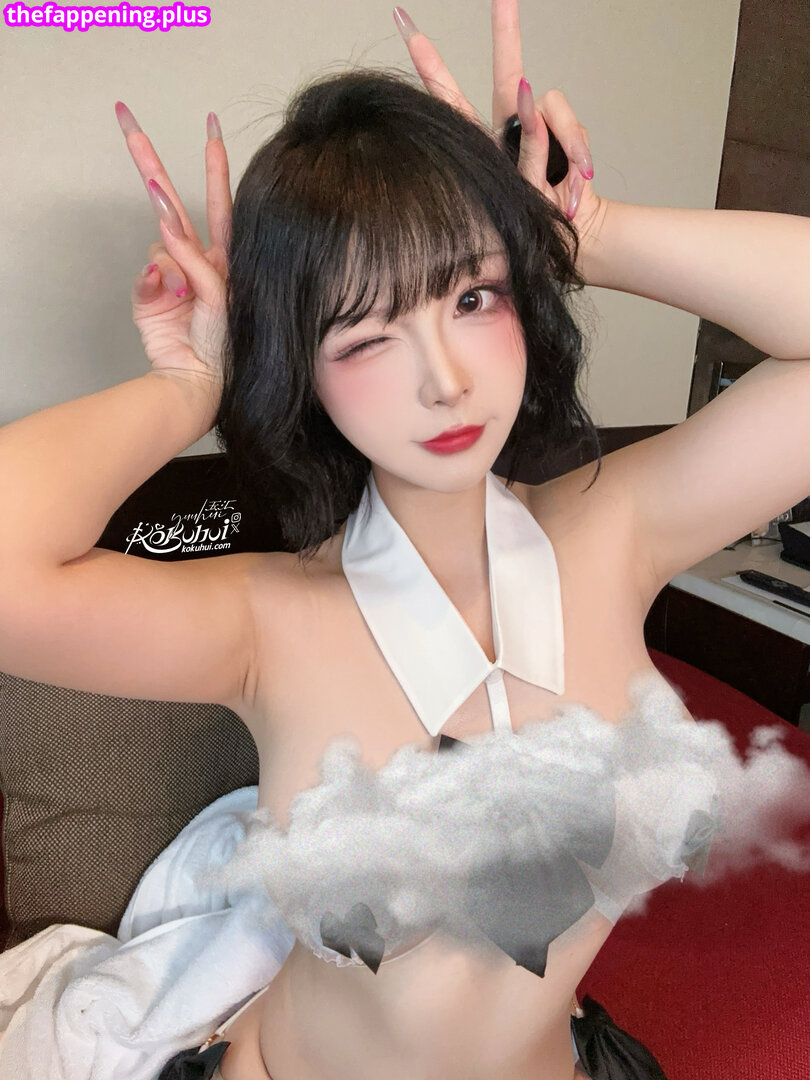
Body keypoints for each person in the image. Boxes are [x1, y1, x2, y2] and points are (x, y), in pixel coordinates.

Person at [1, 2, 809, 1078]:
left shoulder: (616, 529)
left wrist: (586, 231)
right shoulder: (269, 622)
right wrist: (190, 386)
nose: (447, 379)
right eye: (367, 335)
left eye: (473, 295)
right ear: (303, 368)